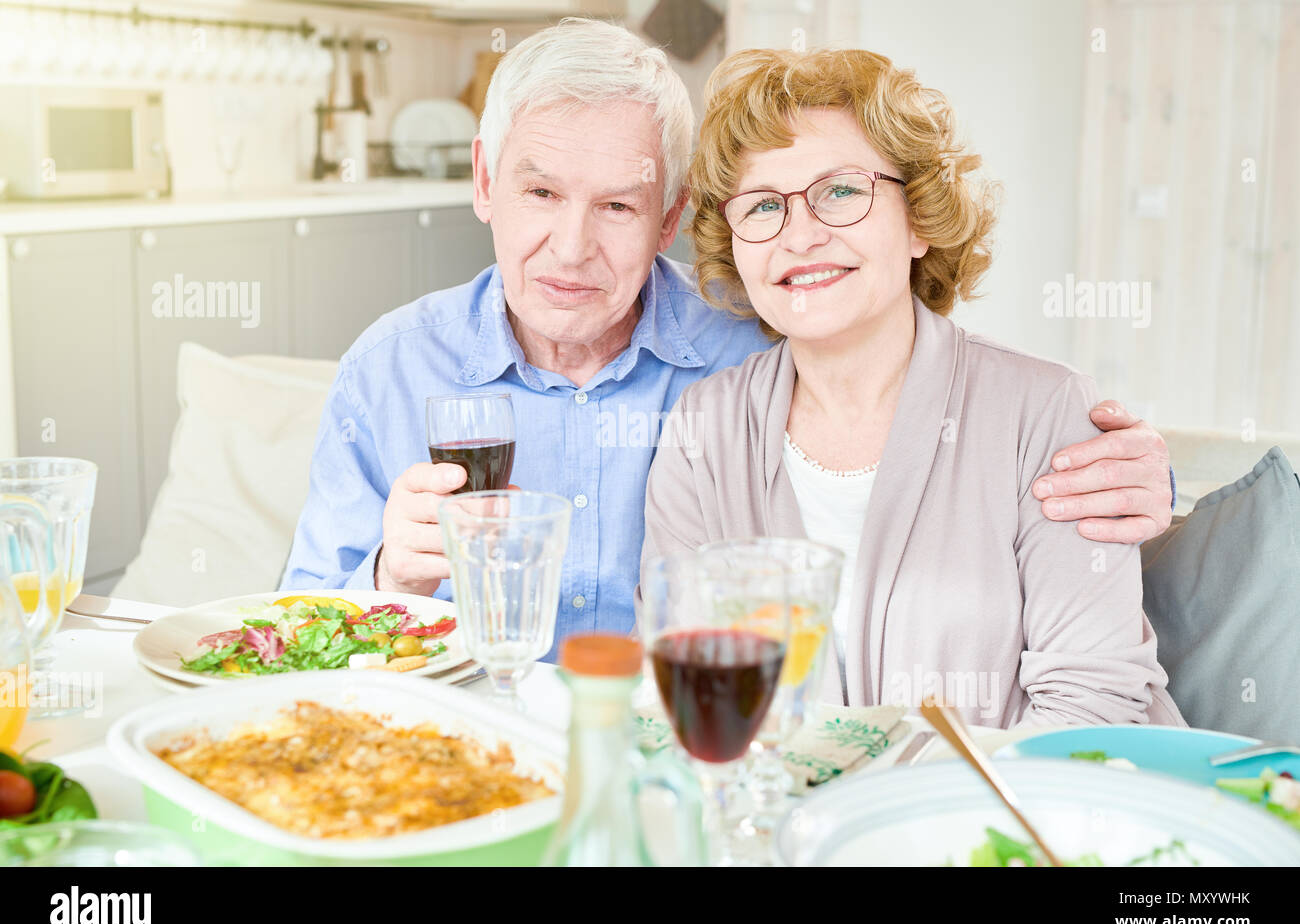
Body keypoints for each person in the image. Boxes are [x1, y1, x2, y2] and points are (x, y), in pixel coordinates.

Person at [282, 18, 1175, 665]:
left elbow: (938, 397)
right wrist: (389, 583)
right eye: (540, 193)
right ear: (485, 182)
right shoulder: (391, 369)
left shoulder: (752, 351)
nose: (570, 247)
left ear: (671, 217)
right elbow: (293, 642)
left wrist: (1152, 480)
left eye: (620, 206)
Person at [639, 47, 1185, 728]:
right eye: (763, 205)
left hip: (1018, 822)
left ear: (920, 218)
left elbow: (1092, 707)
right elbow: (689, 691)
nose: (801, 233)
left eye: (841, 191)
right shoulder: (703, 430)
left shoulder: (1045, 413)